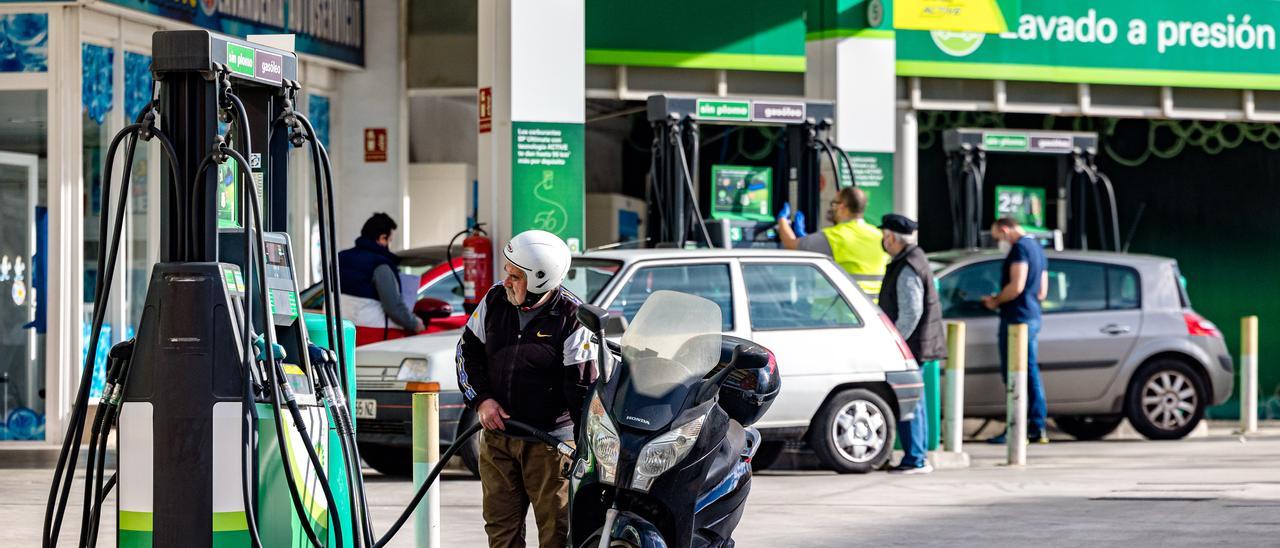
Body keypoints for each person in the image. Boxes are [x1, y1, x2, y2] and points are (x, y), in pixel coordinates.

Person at [455, 230, 598, 548]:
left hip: (550, 447)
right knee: (500, 531)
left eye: (515, 276)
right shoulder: (494, 300)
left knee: (555, 534)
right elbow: (467, 352)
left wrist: (584, 449)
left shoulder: (573, 319)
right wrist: (482, 401)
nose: (506, 281)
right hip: (498, 440)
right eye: (507, 272)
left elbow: (584, 390)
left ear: (539, 281)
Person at [878, 214, 946, 474]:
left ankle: (916, 458)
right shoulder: (912, 259)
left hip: (911, 345)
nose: (884, 241)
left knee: (911, 400)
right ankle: (917, 456)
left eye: (885, 236)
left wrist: (897, 343)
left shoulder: (908, 265)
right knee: (915, 399)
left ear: (892, 237)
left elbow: (910, 312)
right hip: (917, 343)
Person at [981, 217, 1050, 444]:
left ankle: (1020, 427)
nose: (999, 241)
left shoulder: (1020, 248)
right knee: (1029, 372)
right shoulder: (1037, 248)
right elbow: (1042, 291)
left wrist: (996, 301)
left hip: (1016, 318)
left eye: (997, 236)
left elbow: (1016, 285)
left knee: (1016, 373)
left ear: (1004, 229)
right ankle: (1036, 426)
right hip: (1032, 315)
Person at [777, 187, 888, 297]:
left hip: (839, 311)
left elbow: (790, 244)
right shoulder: (879, 235)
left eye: (834, 203)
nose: (832, 208)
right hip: (872, 309)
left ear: (842, 207)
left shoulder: (834, 236)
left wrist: (782, 220)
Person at [338, 212, 424, 345]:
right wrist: (415, 323)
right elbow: (393, 307)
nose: (389, 244)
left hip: (338, 331)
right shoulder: (381, 265)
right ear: (382, 238)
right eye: (389, 240)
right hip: (373, 336)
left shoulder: (340, 258)